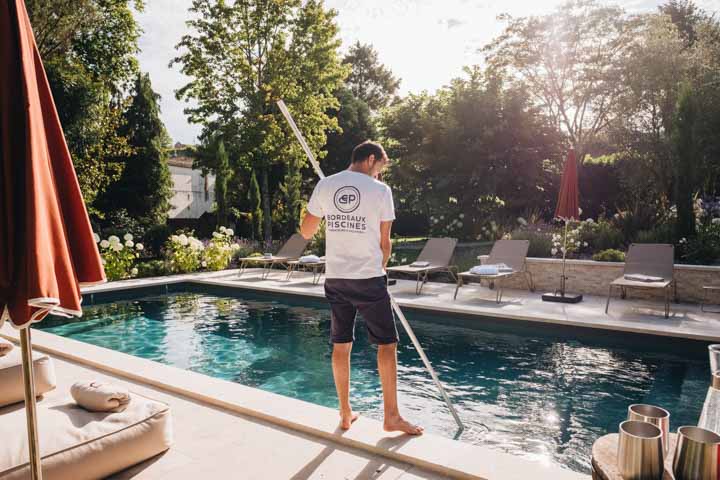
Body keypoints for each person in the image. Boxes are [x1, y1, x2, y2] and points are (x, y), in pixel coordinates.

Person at [300, 141, 423, 435]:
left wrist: (332, 211)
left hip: (336, 278)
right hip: (368, 278)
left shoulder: (327, 185)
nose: (380, 174)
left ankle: (345, 413)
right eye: (380, 167)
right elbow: (385, 241)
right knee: (387, 344)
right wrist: (382, 265)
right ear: (370, 160)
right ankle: (391, 416)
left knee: (341, 344)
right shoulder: (380, 191)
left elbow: (306, 231)